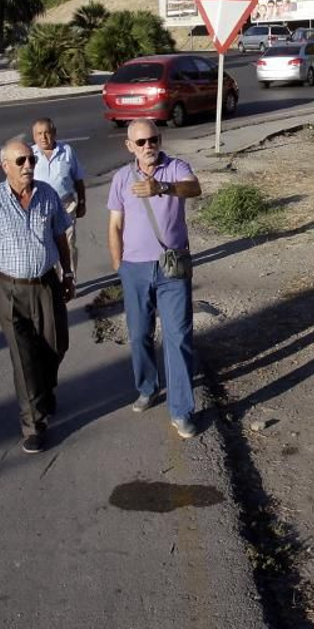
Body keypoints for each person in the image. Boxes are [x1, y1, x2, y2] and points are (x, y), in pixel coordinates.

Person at [0, 137, 74, 454]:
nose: (28, 165)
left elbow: (60, 236)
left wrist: (68, 274)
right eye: (21, 161)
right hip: (9, 291)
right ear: (5, 166)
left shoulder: (47, 194)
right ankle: (33, 424)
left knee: (57, 346)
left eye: (32, 160)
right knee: (23, 359)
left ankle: (45, 390)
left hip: (46, 285)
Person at [107, 119, 203, 438]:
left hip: (171, 267)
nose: (149, 146)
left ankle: (181, 410)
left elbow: (194, 188)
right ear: (130, 146)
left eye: (154, 139)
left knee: (178, 336)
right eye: (142, 142)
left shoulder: (175, 168)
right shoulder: (122, 178)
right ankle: (148, 388)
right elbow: (115, 225)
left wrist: (163, 188)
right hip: (134, 268)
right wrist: (119, 265)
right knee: (139, 334)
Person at [31, 117, 87, 279]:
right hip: (40, 209)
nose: (43, 137)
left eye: (47, 133)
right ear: (34, 136)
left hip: (65, 206)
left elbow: (78, 179)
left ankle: (70, 280)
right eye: (39, 134)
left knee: (68, 245)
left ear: (54, 133)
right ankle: (55, 281)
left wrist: (82, 202)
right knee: (46, 246)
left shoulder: (66, 151)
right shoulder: (30, 155)